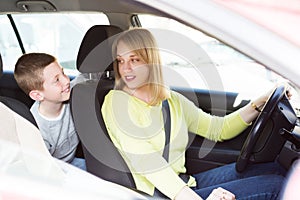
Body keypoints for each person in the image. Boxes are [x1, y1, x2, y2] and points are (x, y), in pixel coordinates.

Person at [101, 28, 288, 200]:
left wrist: (260, 102)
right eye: (120, 61)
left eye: (134, 60)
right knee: (277, 187)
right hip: (159, 195)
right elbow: (148, 163)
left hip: (185, 183)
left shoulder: (171, 100)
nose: (125, 68)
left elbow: (217, 129)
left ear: (151, 61)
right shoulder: (117, 102)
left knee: (278, 170)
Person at [14, 53, 86, 171]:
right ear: (37, 95)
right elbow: (40, 169)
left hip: (72, 162)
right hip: (53, 170)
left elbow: (88, 76)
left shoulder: (72, 92)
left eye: (63, 73)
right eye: (57, 80)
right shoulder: (37, 129)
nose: (66, 80)